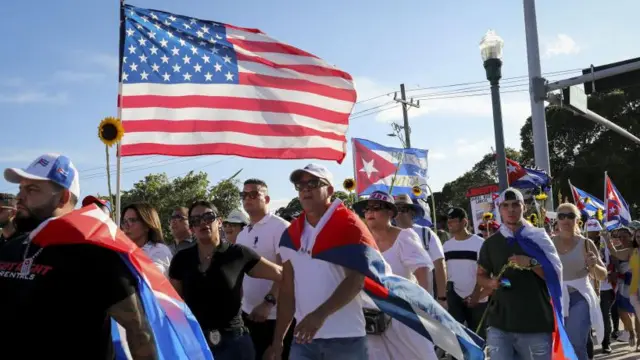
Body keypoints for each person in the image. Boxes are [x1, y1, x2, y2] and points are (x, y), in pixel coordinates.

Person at [0, 153, 157, 359]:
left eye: (32, 189)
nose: (19, 197)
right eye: (20, 188)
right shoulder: (11, 248)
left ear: (63, 197)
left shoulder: (96, 255)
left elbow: (138, 330)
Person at [265, 164, 368, 360]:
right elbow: (287, 290)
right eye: (300, 185)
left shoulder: (349, 226)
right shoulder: (290, 235)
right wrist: (278, 339)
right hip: (303, 341)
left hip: (346, 339)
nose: (305, 189)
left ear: (329, 190)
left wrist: (319, 315)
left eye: (313, 183)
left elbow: (356, 280)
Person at [169, 200, 282, 360]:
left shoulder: (238, 254)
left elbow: (282, 275)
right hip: (196, 342)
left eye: (208, 217)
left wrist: (268, 301)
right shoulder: (182, 259)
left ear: (219, 221)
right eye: (195, 220)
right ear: (191, 227)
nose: (203, 223)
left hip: (234, 343)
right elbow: (173, 303)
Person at [353, 191, 437, 360]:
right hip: (372, 319)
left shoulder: (404, 236)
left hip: (403, 316)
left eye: (376, 208)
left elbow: (422, 272)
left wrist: (419, 311)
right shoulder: (361, 242)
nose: (370, 213)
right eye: (366, 209)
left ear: (390, 212)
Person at [476, 188, 558, 360]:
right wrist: (490, 284)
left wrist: (531, 263)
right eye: (505, 205)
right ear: (499, 210)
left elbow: (556, 275)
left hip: (534, 323)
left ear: (524, 207)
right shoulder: (490, 243)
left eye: (515, 204)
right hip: (499, 323)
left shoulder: (539, 238)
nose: (511, 209)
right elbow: (480, 276)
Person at [236, 179, 293, 360]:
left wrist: (268, 302)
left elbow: (287, 272)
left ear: (267, 199)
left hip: (275, 317)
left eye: (254, 194)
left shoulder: (281, 227)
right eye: (244, 195)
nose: (247, 199)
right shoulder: (243, 234)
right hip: (248, 314)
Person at [552, 203, 605, 360]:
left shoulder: (586, 243)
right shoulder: (549, 243)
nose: (566, 220)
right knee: (561, 346)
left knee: (576, 344)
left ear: (577, 220)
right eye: (561, 216)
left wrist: (593, 265)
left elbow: (602, 275)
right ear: (557, 220)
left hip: (580, 297)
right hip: (557, 299)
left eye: (570, 216)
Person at [443, 207, 490, 339]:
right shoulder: (446, 246)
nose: (449, 224)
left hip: (477, 297)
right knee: (456, 336)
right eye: (448, 221)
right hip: (454, 296)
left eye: (453, 221)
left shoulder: (480, 243)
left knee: (478, 336)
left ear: (464, 222)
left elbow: (485, 271)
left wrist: (477, 294)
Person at [393, 193, 448, 307]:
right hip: (395, 302)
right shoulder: (388, 235)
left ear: (412, 212)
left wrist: (442, 298)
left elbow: (439, 265)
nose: (399, 212)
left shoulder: (426, 233)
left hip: (423, 301)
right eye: (396, 209)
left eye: (403, 209)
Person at [585, 218, 615, 354]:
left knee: (604, 315)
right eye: (589, 233)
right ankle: (588, 347)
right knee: (587, 318)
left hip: (605, 286)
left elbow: (613, 259)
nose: (592, 235)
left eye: (594, 232)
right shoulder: (582, 244)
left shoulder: (605, 244)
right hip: (587, 286)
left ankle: (606, 343)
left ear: (598, 232)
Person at [121, 202, 174, 276]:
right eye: (124, 221)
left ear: (147, 225)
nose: (126, 226)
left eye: (132, 220)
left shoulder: (159, 250)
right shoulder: (123, 251)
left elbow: (151, 277)